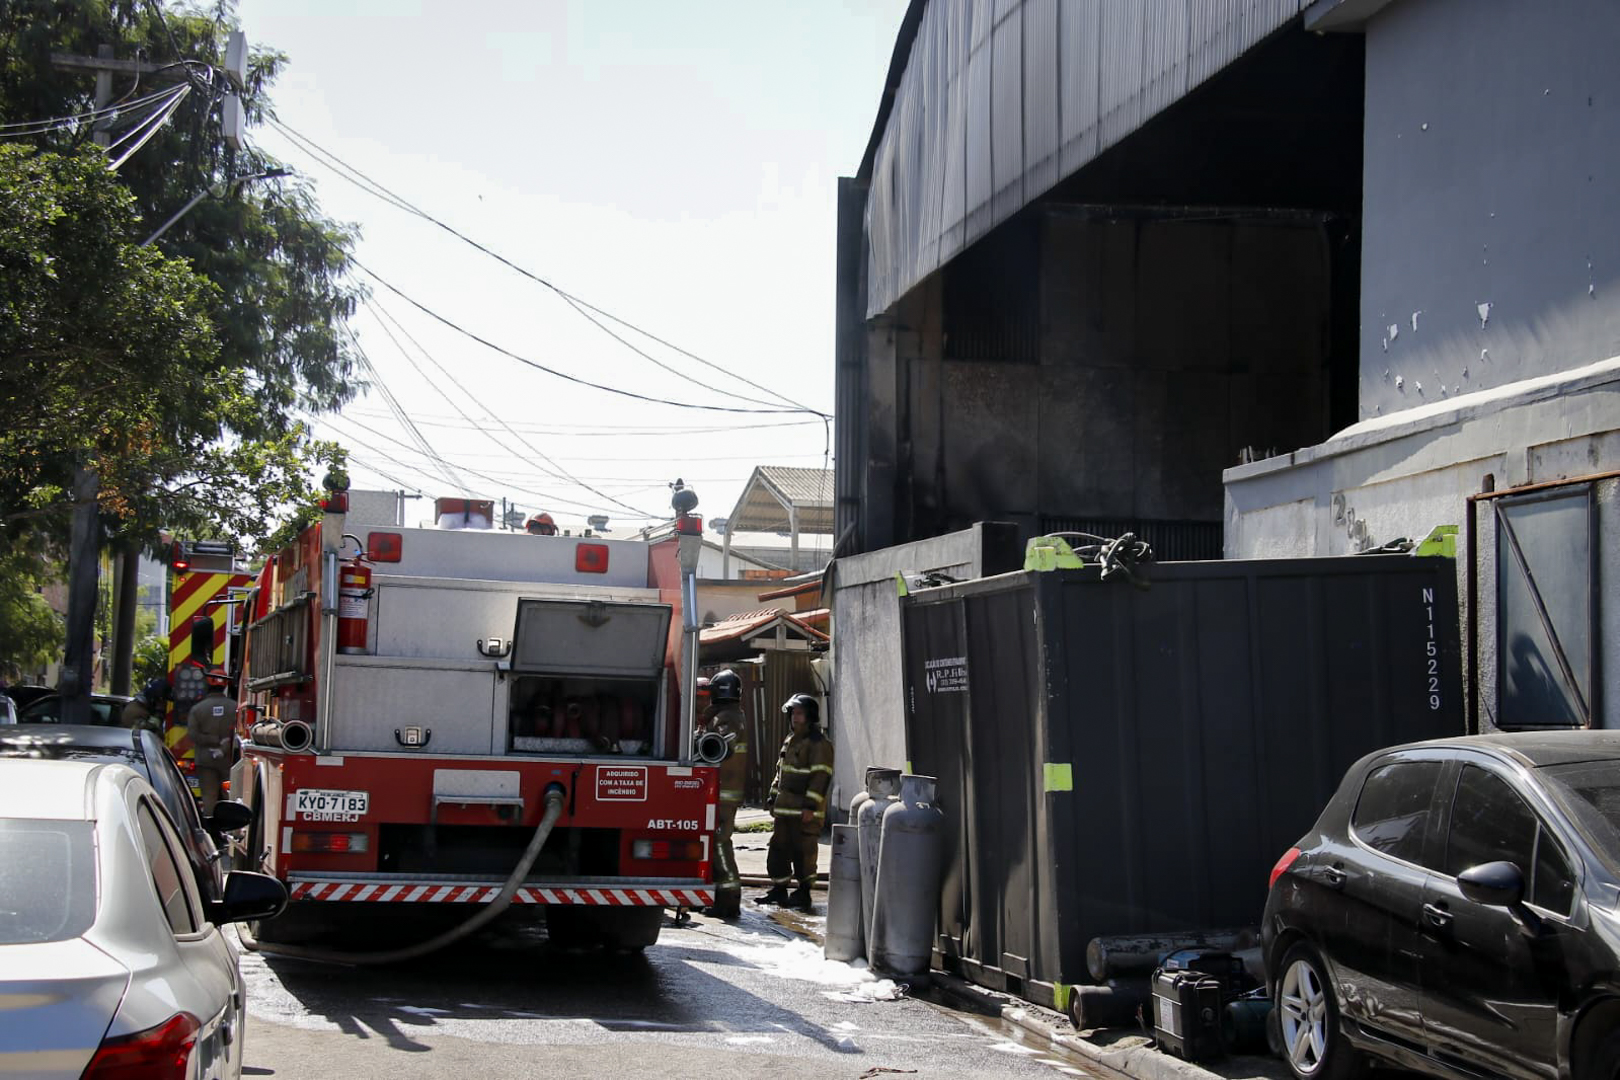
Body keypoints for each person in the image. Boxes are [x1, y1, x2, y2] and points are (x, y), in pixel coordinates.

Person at [756, 693, 833, 912]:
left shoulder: (819, 744)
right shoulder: (790, 740)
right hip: (784, 809)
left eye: (799, 713)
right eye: (793, 713)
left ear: (810, 716)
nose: (795, 718)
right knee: (778, 849)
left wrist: (810, 806)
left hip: (803, 812)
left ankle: (803, 892)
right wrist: (772, 798)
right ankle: (779, 888)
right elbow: (780, 773)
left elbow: (821, 776)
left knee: (804, 852)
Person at [699, 669, 748, 920]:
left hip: (722, 796)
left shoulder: (727, 719)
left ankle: (729, 900)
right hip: (721, 794)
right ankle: (719, 896)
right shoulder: (729, 716)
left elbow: (715, 747)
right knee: (717, 844)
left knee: (720, 844)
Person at [187, 668, 237, 813]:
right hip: (228, 760)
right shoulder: (234, 707)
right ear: (226, 685)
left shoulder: (197, 709)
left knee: (209, 797)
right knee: (230, 796)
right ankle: (231, 828)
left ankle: (210, 830)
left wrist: (212, 740)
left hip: (205, 760)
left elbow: (193, 735)